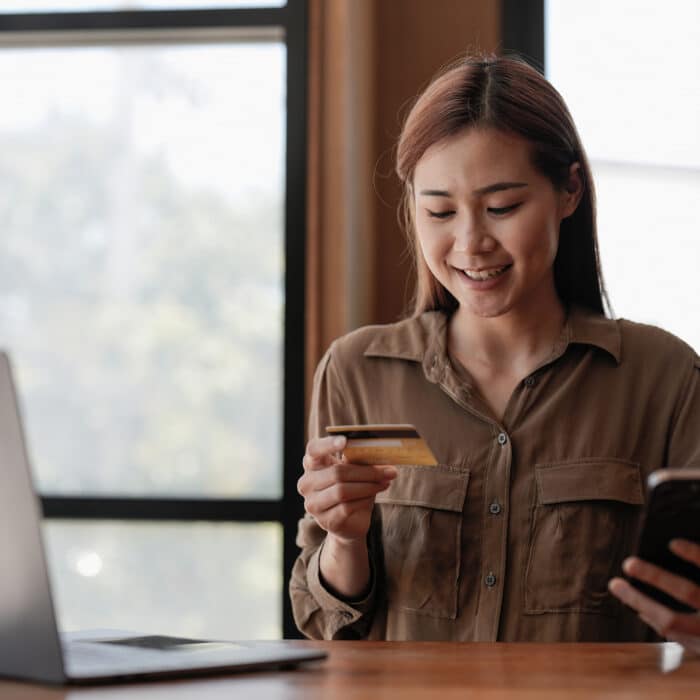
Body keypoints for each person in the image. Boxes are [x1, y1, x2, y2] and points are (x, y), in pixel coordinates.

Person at [290, 54, 700, 647]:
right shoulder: (358, 371)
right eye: (439, 211)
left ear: (569, 191)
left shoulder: (664, 378)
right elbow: (325, 627)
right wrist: (345, 539)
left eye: (502, 207)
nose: (471, 243)